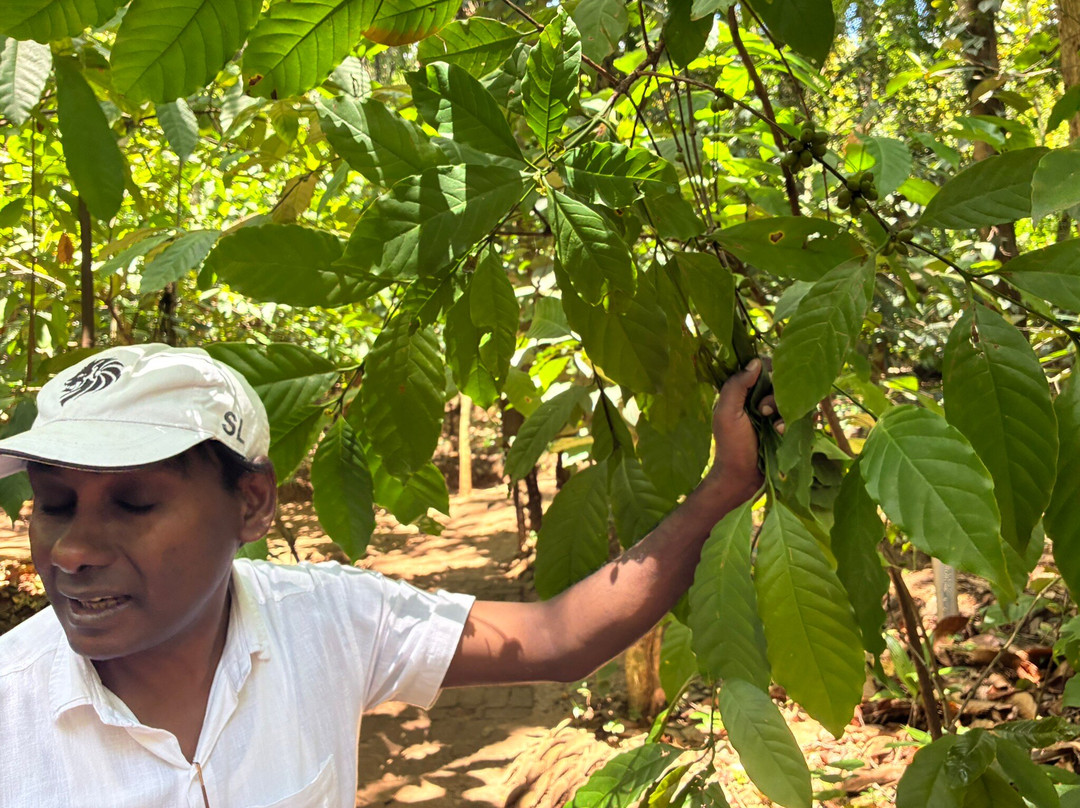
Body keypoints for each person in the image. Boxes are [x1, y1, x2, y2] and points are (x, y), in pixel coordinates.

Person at [0, 343, 779, 806]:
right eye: (54, 502)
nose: (70, 549)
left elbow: (555, 638)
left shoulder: (325, 622)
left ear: (252, 503)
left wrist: (724, 485)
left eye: (134, 502)